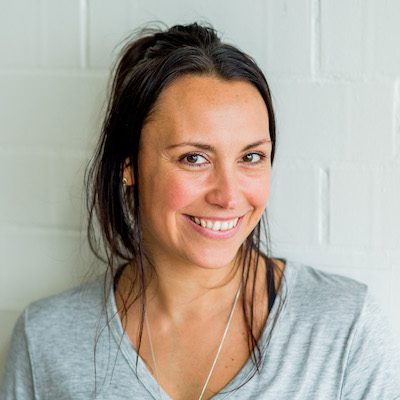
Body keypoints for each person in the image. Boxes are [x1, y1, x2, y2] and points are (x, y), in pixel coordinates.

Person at [1, 22, 400, 400]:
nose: (229, 196)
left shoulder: (346, 329)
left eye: (251, 157)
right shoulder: (46, 340)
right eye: (194, 158)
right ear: (129, 165)